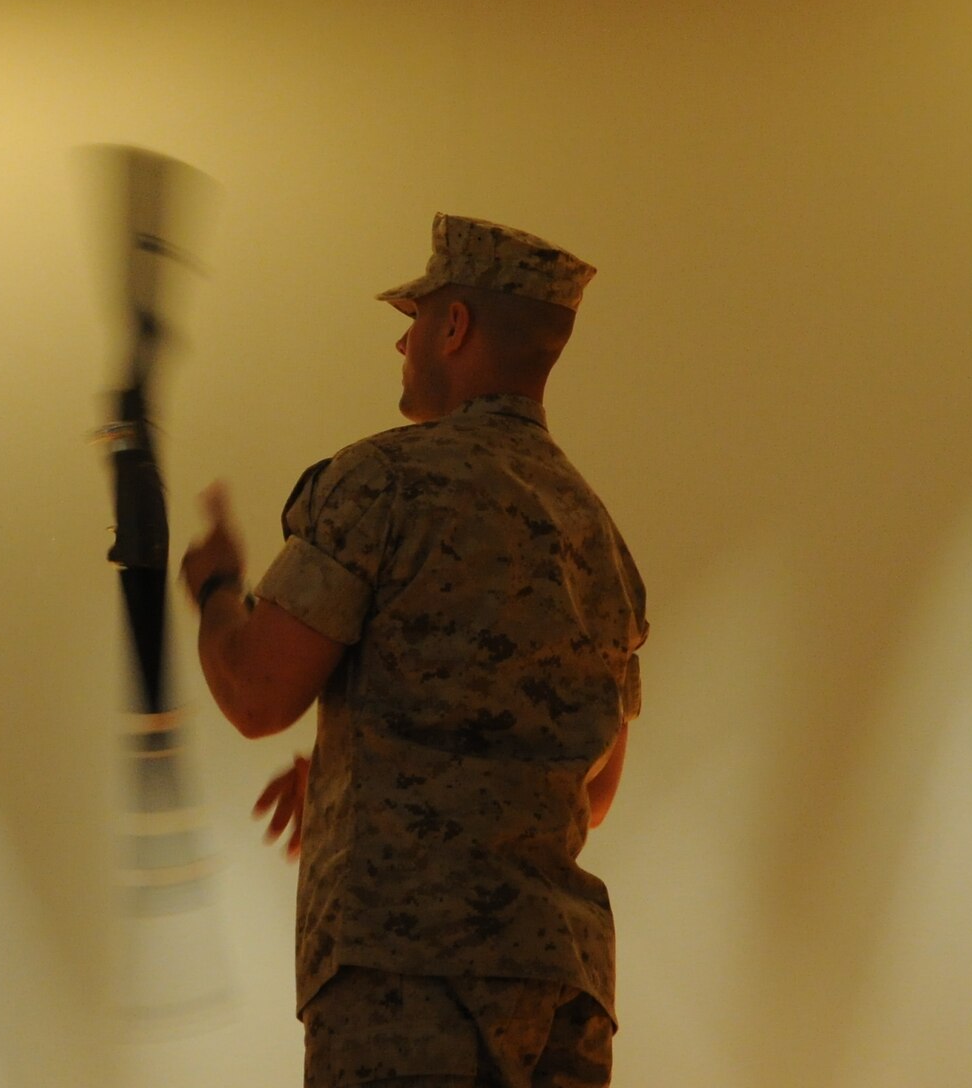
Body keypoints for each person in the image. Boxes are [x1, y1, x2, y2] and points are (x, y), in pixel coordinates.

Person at [180, 213, 647, 1088]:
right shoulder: (599, 538)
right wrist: (368, 770)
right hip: (562, 987)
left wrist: (214, 591)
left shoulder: (380, 484)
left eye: (417, 318)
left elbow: (255, 694)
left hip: (406, 975)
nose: (402, 341)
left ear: (455, 327)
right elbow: (595, 788)